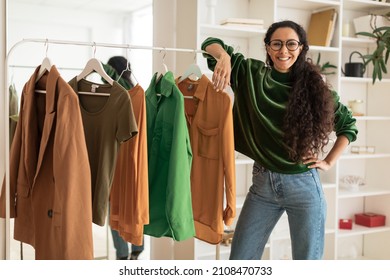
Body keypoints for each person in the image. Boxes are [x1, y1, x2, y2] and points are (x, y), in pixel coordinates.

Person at [201, 20, 358, 260]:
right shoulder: (250, 74)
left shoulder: (316, 88)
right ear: (267, 47)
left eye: (291, 44)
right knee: (240, 259)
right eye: (277, 44)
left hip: (304, 186)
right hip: (263, 186)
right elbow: (209, 44)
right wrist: (224, 57)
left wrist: (328, 162)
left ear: (301, 47)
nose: (283, 51)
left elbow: (348, 125)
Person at [104, 56, 144, 260]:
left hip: (115, 157)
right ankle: (137, 249)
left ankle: (121, 254)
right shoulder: (139, 91)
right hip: (135, 156)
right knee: (134, 203)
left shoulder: (112, 92)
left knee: (115, 207)